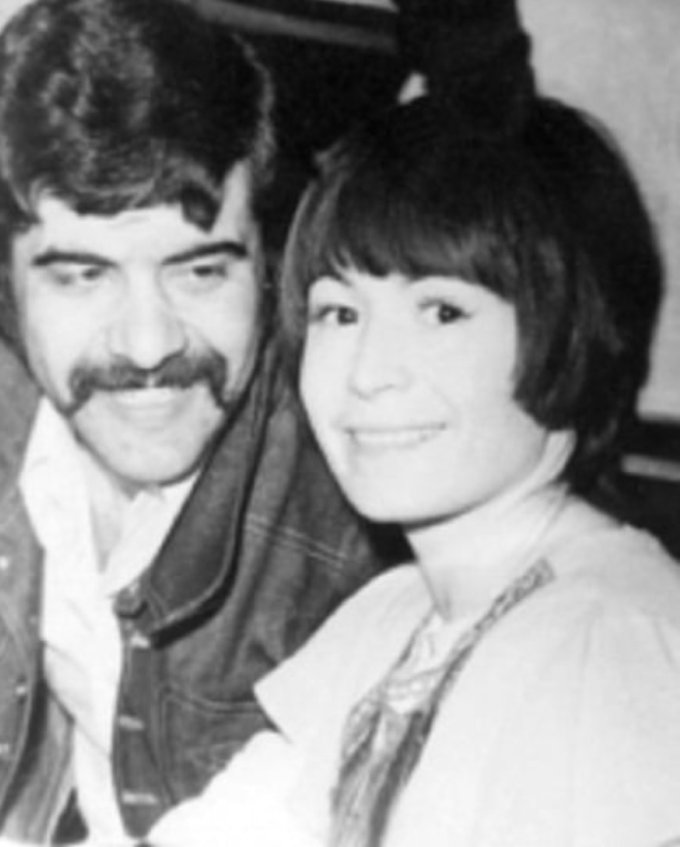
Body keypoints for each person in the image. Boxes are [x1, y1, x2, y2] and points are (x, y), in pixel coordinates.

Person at [0, 0, 393, 842]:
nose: (147, 344)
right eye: (82, 276)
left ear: (269, 260)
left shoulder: (353, 464)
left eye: (201, 270)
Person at [146, 6, 680, 846]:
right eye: (339, 312)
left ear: (575, 324)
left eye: (441, 311)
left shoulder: (607, 645)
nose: (369, 372)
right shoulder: (392, 615)